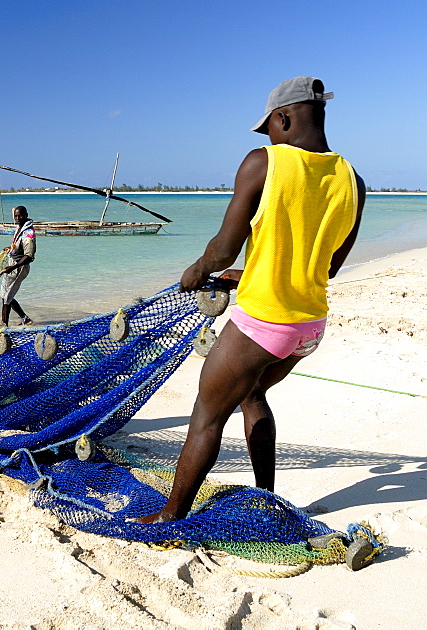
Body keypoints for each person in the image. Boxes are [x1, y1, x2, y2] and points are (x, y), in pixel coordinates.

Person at [139, 77, 366, 523]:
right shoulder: (352, 179)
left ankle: (170, 515)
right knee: (253, 394)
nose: (270, 137)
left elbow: (223, 247)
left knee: (206, 414)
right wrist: (240, 277)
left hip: (265, 323)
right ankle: (267, 496)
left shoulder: (264, 163)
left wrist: (198, 271)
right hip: (308, 327)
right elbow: (327, 268)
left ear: (283, 118)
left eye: (270, 128)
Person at [0, 205, 36, 326]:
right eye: (16, 216)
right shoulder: (19, 228)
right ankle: (25, 319)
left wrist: (13, 267)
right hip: (12, 265)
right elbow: (17, 246)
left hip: (20, 268)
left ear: (26, 215)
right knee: (4, 295)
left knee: (7, 298)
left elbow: (29, 256)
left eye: (20, 215)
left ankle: (4, 327)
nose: (18, 218)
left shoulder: (28, 233)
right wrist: (10, 248)